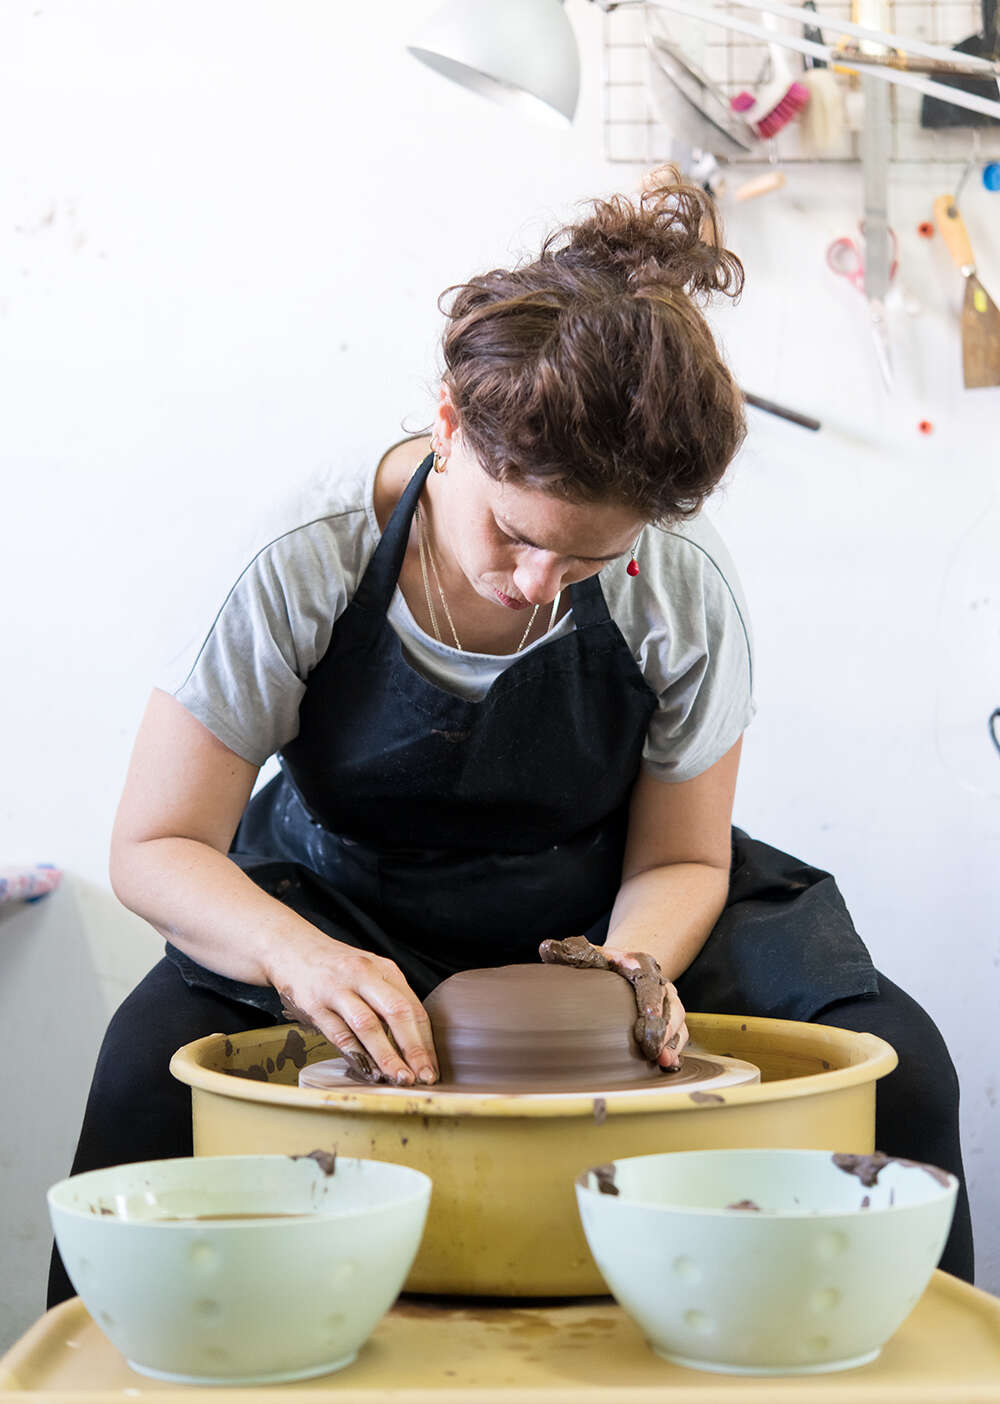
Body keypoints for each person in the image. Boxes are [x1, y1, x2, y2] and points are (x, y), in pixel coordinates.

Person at [48, 173, 972, 1306]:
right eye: (513, 532)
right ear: (448, 425)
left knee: (903, 1070)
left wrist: (630, 973)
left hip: (604, 905)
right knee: (145, 1080)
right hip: (341, 900)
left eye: (588, 559)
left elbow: (683, 857)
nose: (539, 584)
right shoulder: (304, 556)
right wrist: (300, 958)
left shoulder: (680, 586)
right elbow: (156, 845)